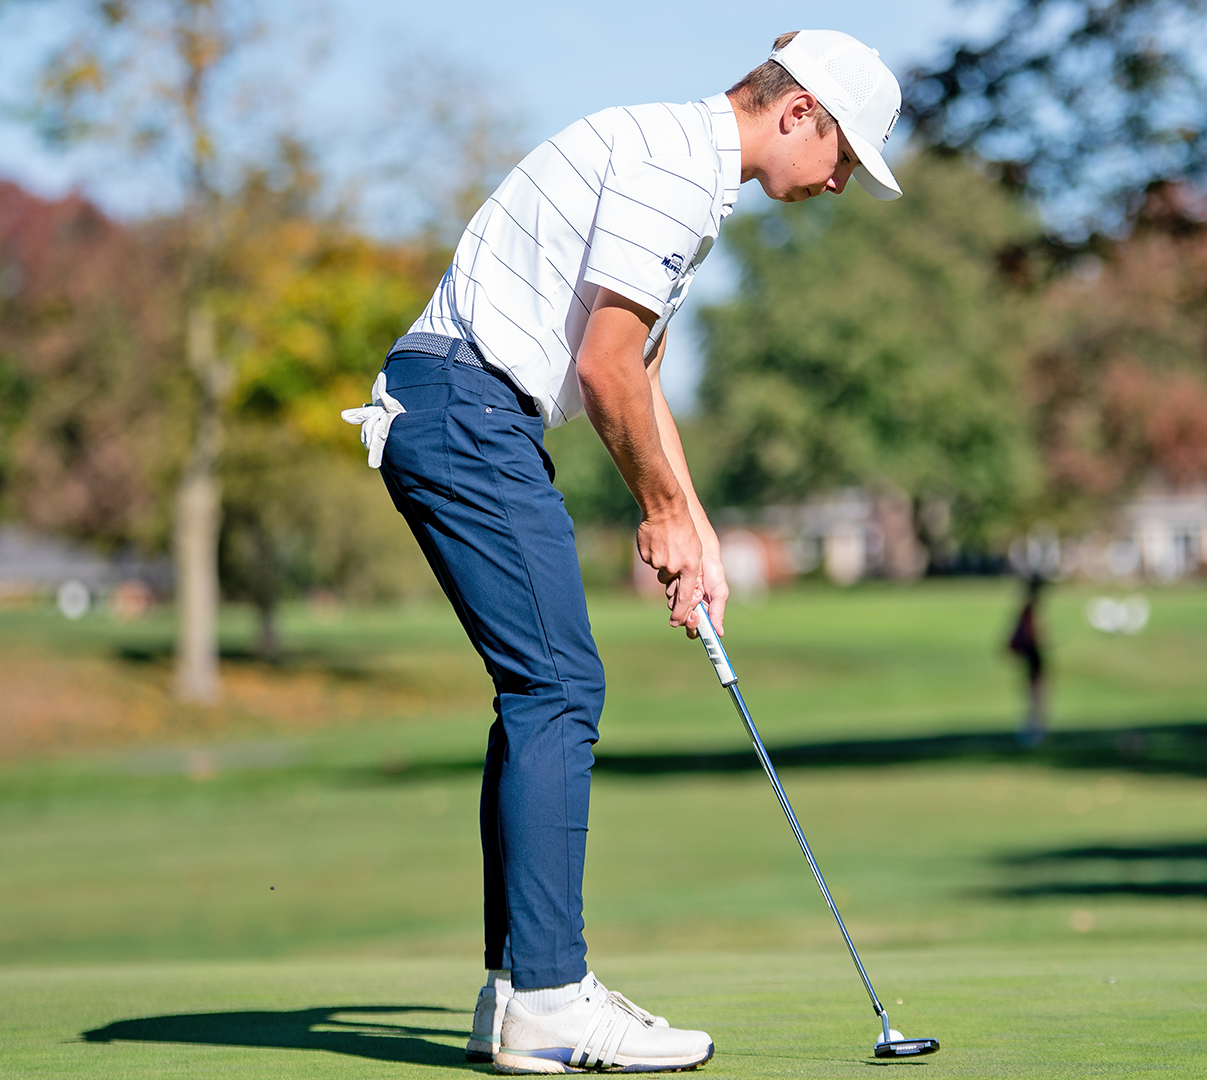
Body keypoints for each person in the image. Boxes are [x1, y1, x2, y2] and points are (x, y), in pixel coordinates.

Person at [342, 31, 902, 1075]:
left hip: (457, 408)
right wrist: (656, 514)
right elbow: (603, 372)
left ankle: (518, 990)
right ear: (798, 113)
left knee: (535, 688)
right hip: (468, 412)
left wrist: (698, 530)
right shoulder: (672, 169)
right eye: (842, 157)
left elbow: (635, 372)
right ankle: (553, 998)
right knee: (557, 687)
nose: (837, 183)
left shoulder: (671, 156)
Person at [1007, 575, 1048, 746]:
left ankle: (1035, 729)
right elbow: (1031, 635)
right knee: (1036, 697)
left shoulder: (1028, 610)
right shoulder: (1029, 611)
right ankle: (1033, 731)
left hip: (1033, 656)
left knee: (1036, 696)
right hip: (1033, 656)